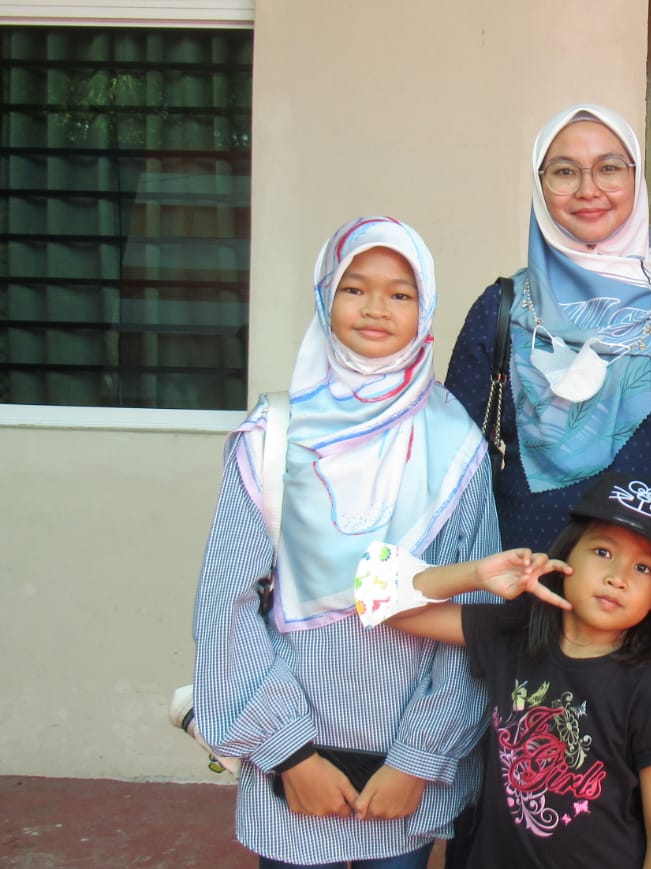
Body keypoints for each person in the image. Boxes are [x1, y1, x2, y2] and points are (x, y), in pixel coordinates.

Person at [192, 216, 500, 868]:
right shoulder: (274, 437)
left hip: (404, 775)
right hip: (292, 771)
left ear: (425, 309)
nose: (376, 308)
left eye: (400, 293)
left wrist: (418, 759)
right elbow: (227, 602)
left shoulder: (455, 445)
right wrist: (290, 754)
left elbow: (475, 617)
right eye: (355, 288)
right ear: (325, 295)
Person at [354, 472, 651, 869]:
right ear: (565, 556)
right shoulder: (513, 635)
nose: (618, 578)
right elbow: (375, 596)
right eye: (603, 552)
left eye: (644, 568)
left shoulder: (649, 687)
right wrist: (476, 575)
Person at [445, 103, 651, 552]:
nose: (588, 189)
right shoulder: (501, 307)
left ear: (636, 179)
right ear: (539, 184)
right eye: (564, 172)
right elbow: (454, 456)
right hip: (519, 570)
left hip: (643, 574)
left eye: (609, 168)